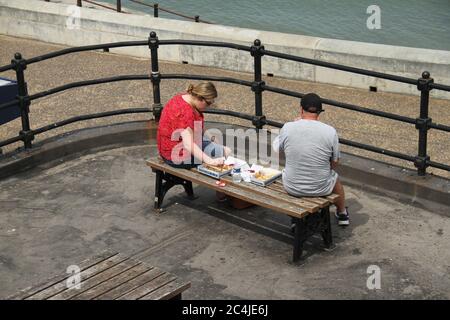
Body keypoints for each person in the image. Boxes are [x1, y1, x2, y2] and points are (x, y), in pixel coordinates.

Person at [277, 93, 349, 226]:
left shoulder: (288, 127)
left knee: (289, 168)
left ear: (301, 109)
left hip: (292, 186)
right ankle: (342, 213)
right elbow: (335, 162)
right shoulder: (330, 131)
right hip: (321, 187)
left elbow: (278, 150)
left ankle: (296, 218)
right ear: (319, 112)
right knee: (335, 179)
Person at [157, 81, 231, 169]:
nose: (208, 106)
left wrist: (210, 138)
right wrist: (210, 161)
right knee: (226, 152)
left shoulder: (181, 98)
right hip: (177, 156)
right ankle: (218, 180)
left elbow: (192, 129)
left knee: (217, 147)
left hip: (166, 149)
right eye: (208, 103)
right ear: (200, 98)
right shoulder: (186, 112)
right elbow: (188, 144)